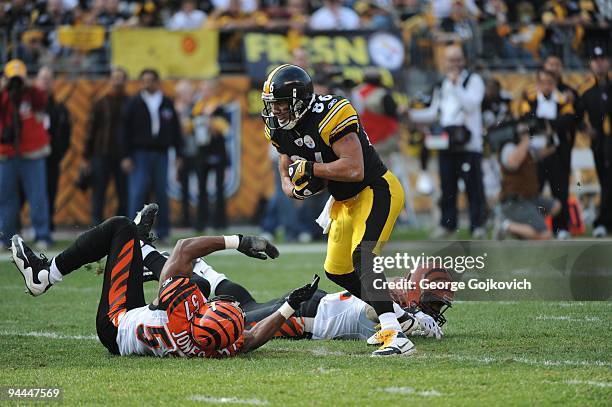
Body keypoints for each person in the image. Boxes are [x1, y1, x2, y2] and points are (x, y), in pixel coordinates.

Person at [261, 64, 431, 356]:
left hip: (375, 189)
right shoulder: (279, 126)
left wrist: (312, 168)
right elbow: (284, 157)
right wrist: (289, 185)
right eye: (271, 104)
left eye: (280, 103)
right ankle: (402, 317)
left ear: (299, 100)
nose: (275, 110)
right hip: (343, 202)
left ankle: (395, 334)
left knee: (363, 257)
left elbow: (354, 168)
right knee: (338, 271)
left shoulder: (331, 114)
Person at [9, 204, 320, 358]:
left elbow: (185, 248)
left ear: (203, 311)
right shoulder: (215, 343)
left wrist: (238, 241)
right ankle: (141, 254)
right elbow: (252, 338)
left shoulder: (181, 309)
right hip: (142, 323)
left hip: (115, 323)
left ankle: (46, 274)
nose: (224, 303)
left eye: (220, 306)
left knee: (121, 228)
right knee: (198, 283)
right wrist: (289, 307)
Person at [410, 45, 487, 239]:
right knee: (448, 187)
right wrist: (411, 114)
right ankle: (448, 225)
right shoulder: (441, 84)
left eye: (457, 59)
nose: (453, 64)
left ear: (463, 60)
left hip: (469, 144)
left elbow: (471, 105)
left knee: (473, 187)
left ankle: (477, 225)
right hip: (446, 143)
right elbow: (435, 113)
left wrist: (456, 85)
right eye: (450, 60)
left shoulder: (473, 80)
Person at [120, 68, 183, 241]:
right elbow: (125, 131)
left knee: (162, 192)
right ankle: (132, 231)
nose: (147, 83)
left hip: (161, 153)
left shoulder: (166, 102)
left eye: (151, 80)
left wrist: (179, 153)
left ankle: (164, 232)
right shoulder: (134, 103)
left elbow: (176, 130)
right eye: (144, 80)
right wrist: (125, 155)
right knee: (137, 192)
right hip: (139, 153)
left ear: (157, 82)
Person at [0, 59, 51, 249]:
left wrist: (28, 85)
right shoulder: (4, 94)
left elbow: (42, 101)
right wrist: (4, 89)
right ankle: (5, 237)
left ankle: (42, 235)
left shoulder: (32, 93)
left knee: (37, 196)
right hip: (6, 153)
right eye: (12, 78)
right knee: (5, 198)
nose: (16, 82)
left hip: (33, 153)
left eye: (18, 78)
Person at [520, 68, 576, 239]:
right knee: (532, 191)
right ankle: (531, 226)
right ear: (538, 84)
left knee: (560, 190)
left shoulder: (562, 101)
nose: (546, 86)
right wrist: (548, 125)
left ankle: (561, 228)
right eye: (543, 82)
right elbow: (526, 120)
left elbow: (569, 120)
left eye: (550, 83)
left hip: (554, 153)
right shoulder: (529, 99)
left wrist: (546, 124)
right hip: (535, 154)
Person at [495, 122, 561, 240]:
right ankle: (505, 225)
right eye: (523, 131)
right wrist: (525, 140)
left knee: (555, 206)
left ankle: (525, 229)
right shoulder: (508, 147)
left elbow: (550, 149)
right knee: (546, 235)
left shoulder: (527, 148)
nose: (526, 134)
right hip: (514, 201)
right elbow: (513, 163)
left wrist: (550, 133)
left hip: (530, 198)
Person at [83, 67, 130, 225]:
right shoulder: (101, 103)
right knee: (98, 193)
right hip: (100, 154)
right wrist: (86, 157)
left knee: (124, 194)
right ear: (110, 80)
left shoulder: (130, 103)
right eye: (114, 78)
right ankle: (96, 226)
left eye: (120, 78)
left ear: (125, 81)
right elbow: (91, 130)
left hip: (123, 156)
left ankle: (120, 226)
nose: (117, 81)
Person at [578, 46, 612, 237]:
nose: (599, 63)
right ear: (591, 64)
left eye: (603, 58)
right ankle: (603, 222)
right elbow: (576, 114)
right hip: (600, 142)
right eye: (596, 59)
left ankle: (604, 221)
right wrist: (585, 129)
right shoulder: (586, 89)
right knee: (606, 180)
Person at [36, 66, 71, 231]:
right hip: (31, 157)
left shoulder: (59, 108)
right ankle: (17, 226)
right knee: (23, 193)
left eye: (48, 79)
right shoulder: (30, 106)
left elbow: (66, 134)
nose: (45, 82)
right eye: (43, 78)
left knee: (50, 192)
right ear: (37, 81)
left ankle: (47, 226)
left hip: (51, 158)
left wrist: (58, 153)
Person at [191, 79, 230, 231]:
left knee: (219, 188)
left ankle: (220, 222)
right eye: (202, 89)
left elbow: (226, 128)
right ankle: (201, 222)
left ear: (213, 91)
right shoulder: (197, 108)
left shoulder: (219, 106)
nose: (204, 92)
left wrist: (213, 123)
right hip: (202, 151)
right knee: (201, 188)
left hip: (217, 151)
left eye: (207, 89)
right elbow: (191, 126)